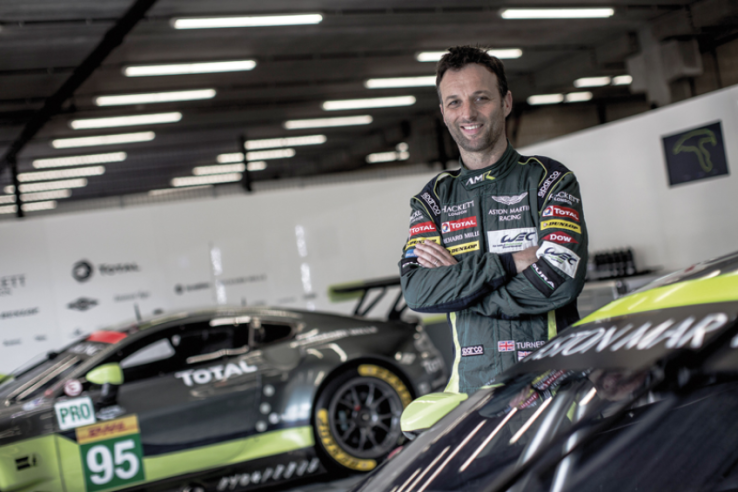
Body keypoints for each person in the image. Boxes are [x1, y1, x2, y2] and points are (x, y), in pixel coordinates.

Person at [399, 46, 588, 394]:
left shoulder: (549, 180)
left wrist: (463, 292)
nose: (468, 113)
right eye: (454, 102)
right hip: (474, 399)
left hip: (557, 391)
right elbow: (418, 292)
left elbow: (560, 277)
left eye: (480, 98)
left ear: (505, 102)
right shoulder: (433, 200)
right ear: (443, 112)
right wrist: (509, 263)